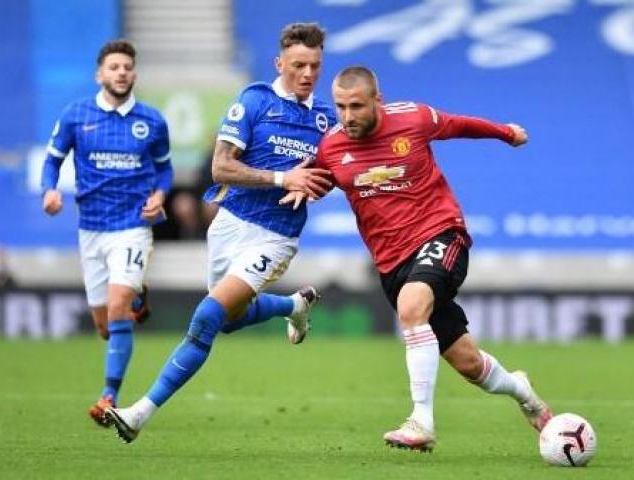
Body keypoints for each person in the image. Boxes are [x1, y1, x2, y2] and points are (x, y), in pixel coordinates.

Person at [284, 66, 553, 452]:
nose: (347, 116)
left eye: (356, 106)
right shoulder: (331, 147)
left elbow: (459, 125)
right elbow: (310, 182)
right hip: (392, 264)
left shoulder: (413, 118)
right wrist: (285, 186)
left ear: (377, 100)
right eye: (341, 107)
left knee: (412, 305)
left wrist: (505, 133)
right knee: (469, 365)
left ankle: (421, 421)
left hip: (441, 235)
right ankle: (522, 391)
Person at [103, 23, 337, 443]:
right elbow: (221, 168)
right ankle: (292, 305)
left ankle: (139, 413)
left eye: (315, 66)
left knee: (207, 317)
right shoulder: (254, 101)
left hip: (275, 236)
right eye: (298, 64)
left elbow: (337, 170)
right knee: (228, 321)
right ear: (279, 62)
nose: (307, 73)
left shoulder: (327, 119)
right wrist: (285, 179)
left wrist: (318, 183)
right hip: (229, 225)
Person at [40, 39, 172, 426]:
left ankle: (108, 395)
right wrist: (50, 189)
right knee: (105, 326)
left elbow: (164, 169)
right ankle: (134, 300)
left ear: (134, 73)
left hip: (133, 226)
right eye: (114, 67)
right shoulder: (75, 115)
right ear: (100, 74)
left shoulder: (152, 120)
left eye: (127, 67)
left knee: (116, 306)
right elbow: (53, 159)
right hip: (91, 229)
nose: (121, 73)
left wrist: (160, 194)